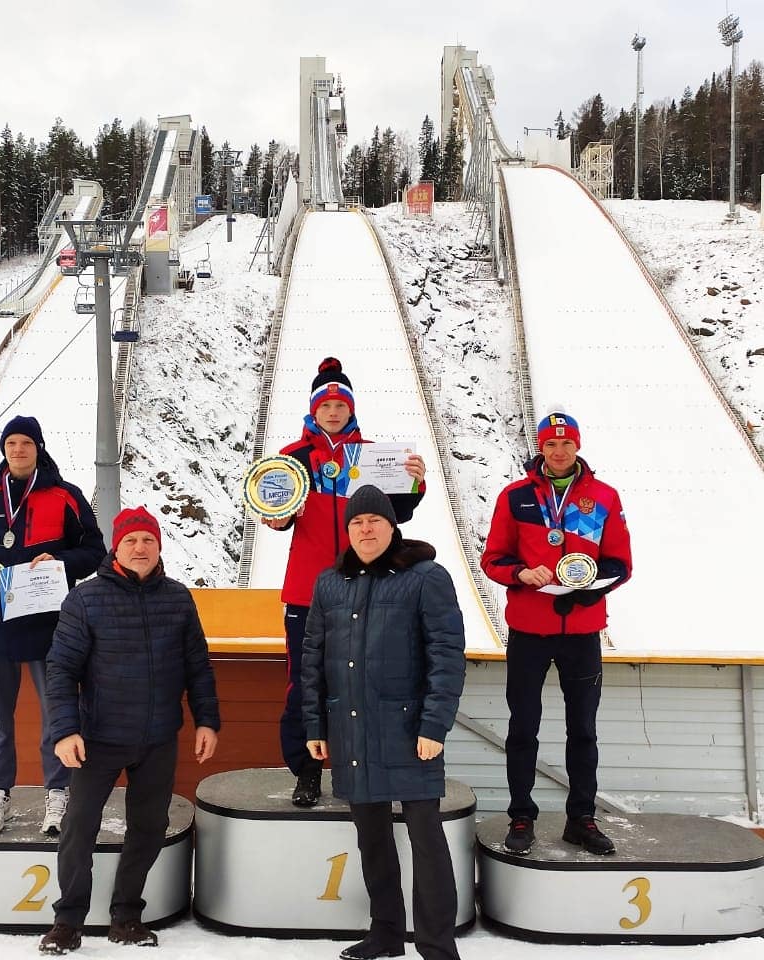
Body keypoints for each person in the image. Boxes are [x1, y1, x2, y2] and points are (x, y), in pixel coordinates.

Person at [39, 506, 220, 955]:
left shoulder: (178, 598)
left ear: (159, 547)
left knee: (149, 826)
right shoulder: (85, 599)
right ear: (116, 548)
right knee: (79, 825)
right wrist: (65, 731)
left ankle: (126, 915)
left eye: (149, 540)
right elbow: (61, 669)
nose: (141, 548)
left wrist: (207, 721)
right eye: (132, 540)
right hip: (97, 737)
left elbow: (198, 666)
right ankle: (68, 921)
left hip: (159, 737)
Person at [303, 485, 466, 960]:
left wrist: (435, 726)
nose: (365, 529)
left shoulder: (425, 577)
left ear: (393, 527)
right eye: (356, 522)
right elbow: (312, 659)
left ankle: (437, 946)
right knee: (372, 839)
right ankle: (386, 933)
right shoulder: (330, 583)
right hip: (350, 729)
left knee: (426, 842)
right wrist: (314, 726)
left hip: (411, 732)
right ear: (347, 530)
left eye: (374, 520)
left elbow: (446, 655)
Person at [263, 357, 427, 808]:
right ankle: (307, 771)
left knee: (367, 679)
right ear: (313, 409)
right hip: (307, 589)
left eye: (340, 404)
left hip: (367, 586)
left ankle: (368, 767)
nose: (333, 411)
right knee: (305, 680)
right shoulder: (292, 458)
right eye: (325, 404)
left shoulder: (372, 455)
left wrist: (414, 484)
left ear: (350, 409)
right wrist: (277, 515)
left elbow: (401, 513)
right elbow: (275, 517)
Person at [481, 409, 632, 857]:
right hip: (529, 629)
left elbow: (620, 564)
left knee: (583, 729)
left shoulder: (602, 497)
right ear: (541, 449)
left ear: (578, 446)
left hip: (582, 630)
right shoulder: (515, 497)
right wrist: (523, 573)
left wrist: (587, 590)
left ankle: (581, 819)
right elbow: (493, 559)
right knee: (522, 727)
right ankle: (521, 816)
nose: (560, 451)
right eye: (551, 444)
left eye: (567, 444)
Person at [0, 415, 105, 836]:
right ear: (4, 450)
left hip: (52, 623)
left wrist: (61, 562)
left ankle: (58, 792)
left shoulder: (66, 496)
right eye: (11, 443)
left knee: (57, 712)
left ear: (39, 447)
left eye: (26, 443)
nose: (18, 450)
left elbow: (94, 549)